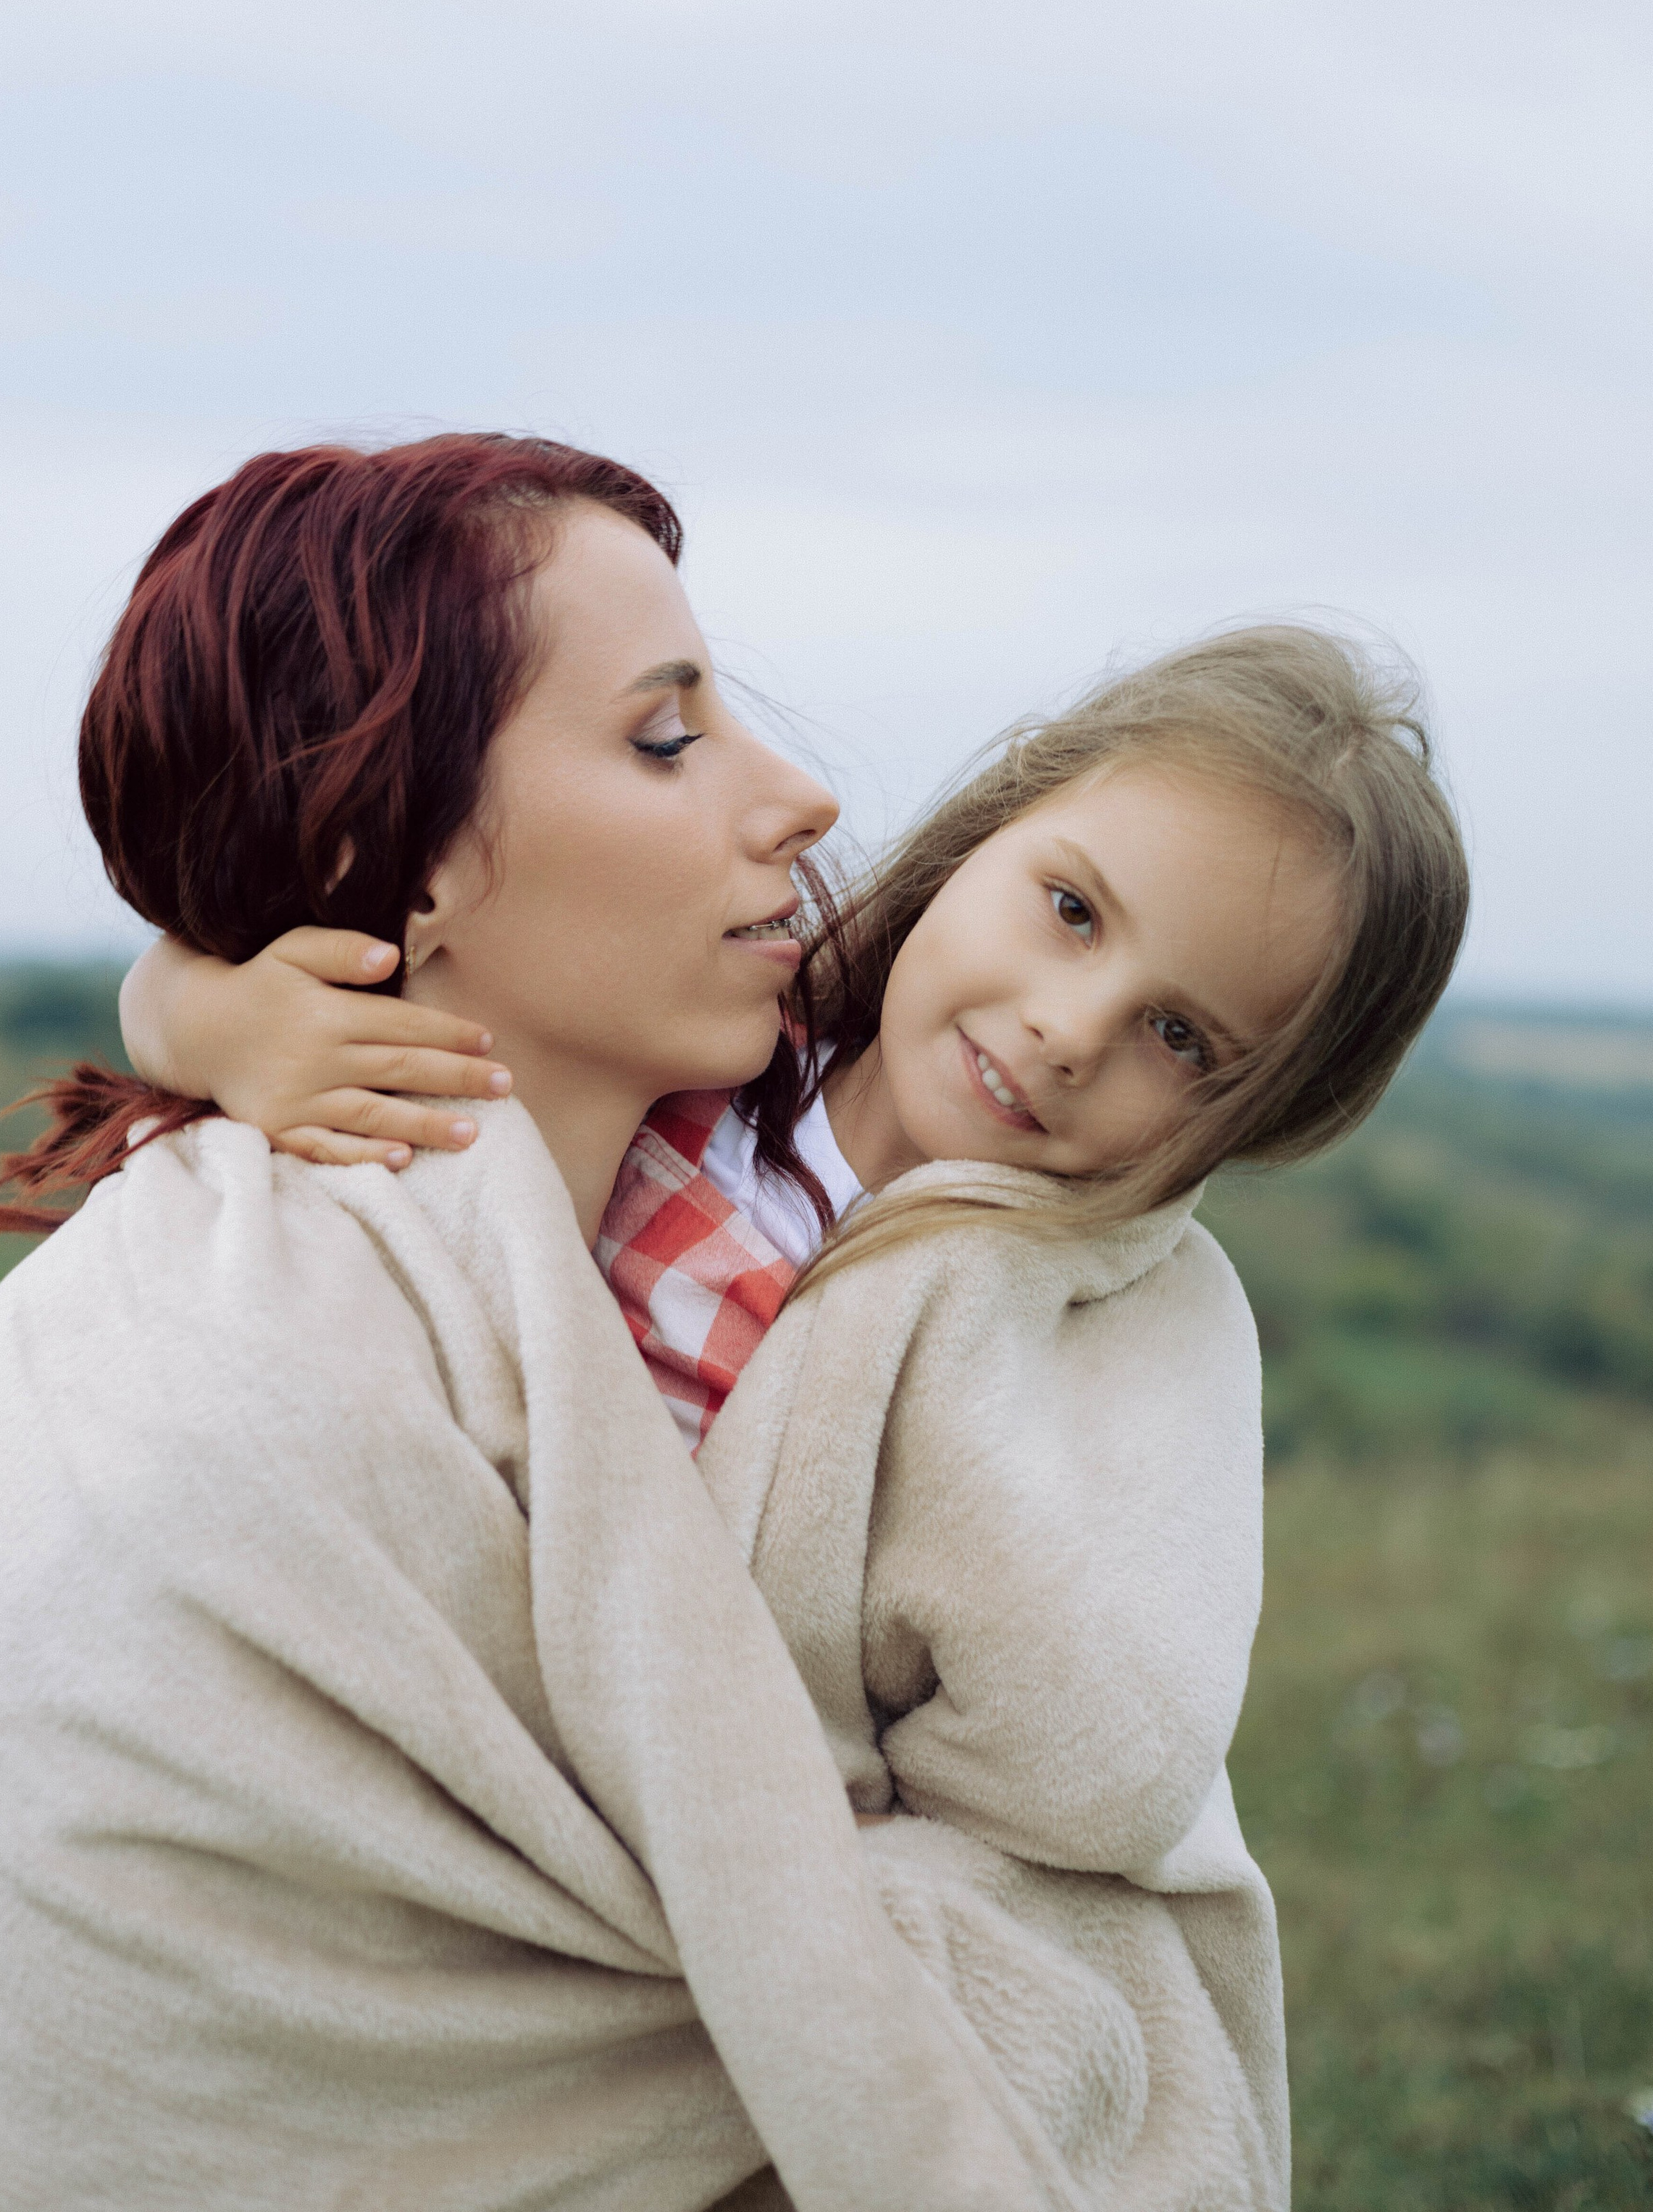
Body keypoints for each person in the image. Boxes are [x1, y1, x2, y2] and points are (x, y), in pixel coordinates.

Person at [0, 434, 1082, 2212]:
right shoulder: (246, 1334)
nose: (795, 796)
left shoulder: (761, 1160)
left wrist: (188, 1000)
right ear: (385, 860)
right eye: (663, 735)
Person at [124, 619, 1470, 2207]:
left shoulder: (1079, 1315)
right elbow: (203, 988)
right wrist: (211, 1028)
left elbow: (1093, 1750)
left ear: (1255, 1116)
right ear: (992, 825)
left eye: (1180, 1040)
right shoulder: (699, 1028)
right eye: (1068, 910)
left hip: (701, 1849)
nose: (1066, 1025)